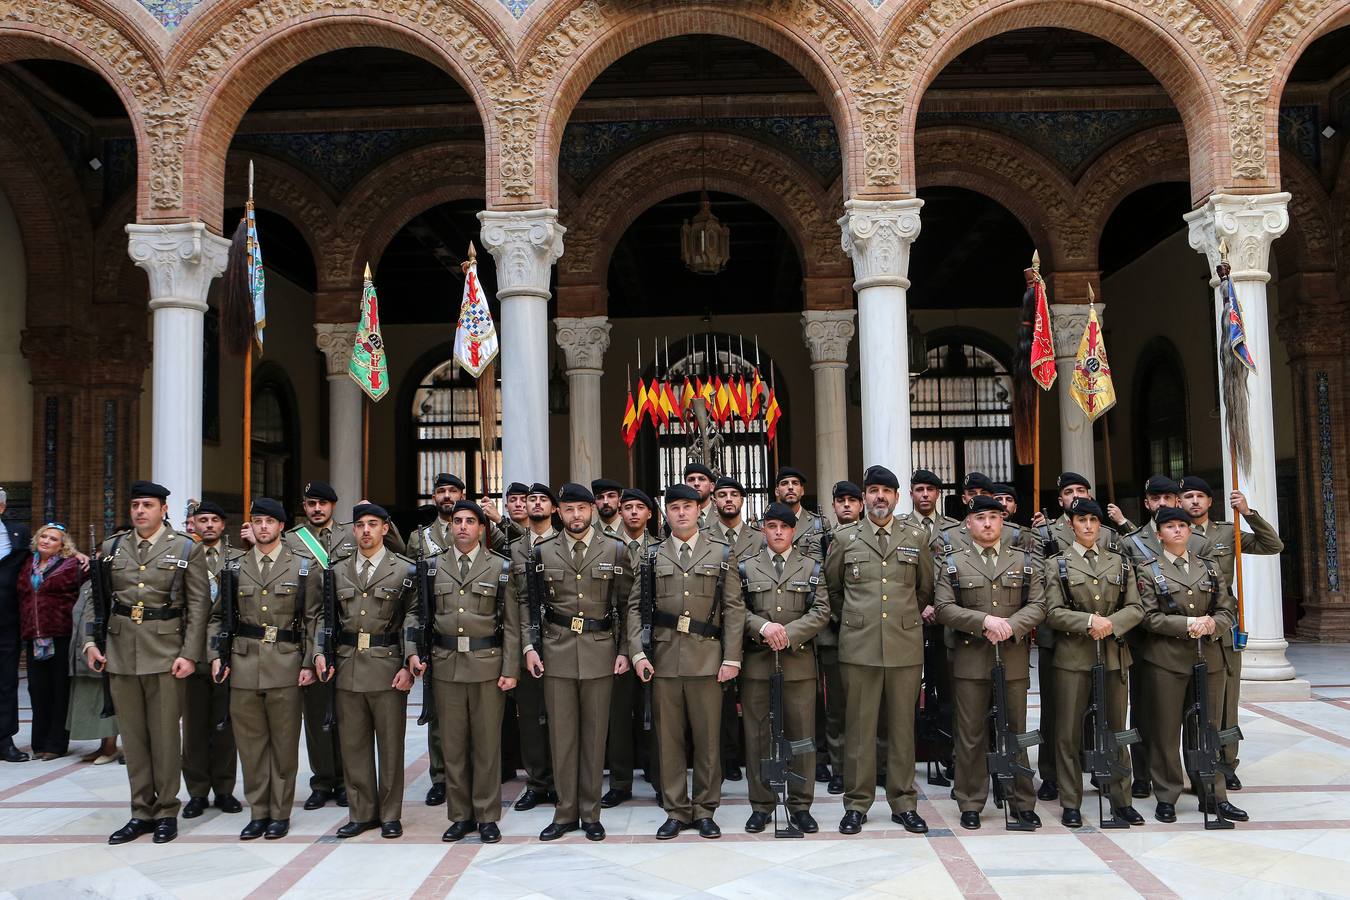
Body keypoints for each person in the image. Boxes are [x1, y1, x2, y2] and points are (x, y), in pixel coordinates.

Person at [82, 480, 209, 844]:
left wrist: (189, 653)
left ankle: (166, 810)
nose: (140, 511)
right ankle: (141, 811)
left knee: (166, 737)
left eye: (148, 505)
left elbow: (199, 605)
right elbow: (97, 598)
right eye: (136, 504)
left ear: (163, 510)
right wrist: (91, 641)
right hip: (121, 652)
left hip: (166, 653)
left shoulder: (186, 548)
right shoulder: (112, 547)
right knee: (134, 740)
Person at [629, 484, 745, 839]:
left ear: (700, 510)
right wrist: (637, 653)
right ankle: (676, 809)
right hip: (663, 659)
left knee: (708, 740)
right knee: (669, 740)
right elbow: (635, 607)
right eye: (675, 507)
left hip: (708, 659)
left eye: (688, 506)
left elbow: (734, 610)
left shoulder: (722, 553)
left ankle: (706, 809)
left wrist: (732, 658)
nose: (681, 512)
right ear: (666, 513)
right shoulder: (651, 555)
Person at [827, 465, 933, 836]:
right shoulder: (844, 539)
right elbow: (833, 590)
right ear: (864, 497)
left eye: (886, 491)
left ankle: (904, 802)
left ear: (896, 497)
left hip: (903, 646)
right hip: (859, 647)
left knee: (902, 728)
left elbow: (923, 590)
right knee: (859, 728)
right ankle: (856, 804)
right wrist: (858, 620)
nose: (879, 497)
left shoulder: (916, 537)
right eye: (872, 490)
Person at [522, 483, 631, 841]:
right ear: (558, 512)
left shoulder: (615, 549)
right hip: (556, 650)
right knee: (562, 737)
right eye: (568, 509)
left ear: (592, 510)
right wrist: (530, 647)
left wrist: (626, 651)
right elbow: (527, 604)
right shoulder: (542, 552)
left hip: (601, 650)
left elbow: (629, 604)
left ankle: (591, 812)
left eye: (582, 509)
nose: (576, 516)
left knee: (595, 736)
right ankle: (565, 812)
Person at [406, 500, 518, 845]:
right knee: (453, 746)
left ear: (482, 528)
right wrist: (412, 652)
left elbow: (513, 624)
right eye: (458, 521)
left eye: (471, 521)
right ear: (450, 526)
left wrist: (510, 668)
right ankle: (459, 815)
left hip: (487, 665)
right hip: (446, 665)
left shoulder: (500, 567)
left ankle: (486, 816)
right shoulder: (431, 566)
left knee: (486, 746)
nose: (464, 527)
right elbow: (415, 615)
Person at [211, 498, 321, 840]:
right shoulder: (233, 567)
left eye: (269, 522)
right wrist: (216, 653)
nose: (262, 527)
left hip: (286, 663)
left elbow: (314, 619)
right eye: (257, 521)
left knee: (284, 745)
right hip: (244, 663)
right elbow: (217, 617)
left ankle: (280, 812)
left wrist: (309, 662)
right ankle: (258, 811)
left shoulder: (303, 567)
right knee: (251, 744)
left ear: (281, 527)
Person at [934, 495, 1046, 831]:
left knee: (1015, 732)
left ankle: (1022, 801)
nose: (987, 523)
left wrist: (1012, 625)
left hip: (1011, 658)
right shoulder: (954, 562)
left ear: (1003, 522)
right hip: (970, 660)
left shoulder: (1024, 561)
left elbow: (1039, 604)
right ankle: (970, 800)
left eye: (994, 517)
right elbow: (943, 608)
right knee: (970, 735)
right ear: (968, 524)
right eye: (980, 517)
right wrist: (984, 621)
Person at [1134, 505, 1247, 825]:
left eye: (1182, 526)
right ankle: (1167, 795)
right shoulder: (1147, 570)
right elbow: (1148, 616)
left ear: (1191, 531)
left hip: (1207, 660)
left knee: (1207, 730)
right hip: (1166, 661)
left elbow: (1228, 609)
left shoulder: (1209, 568)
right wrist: (1187, 624)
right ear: (1159, 535)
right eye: (1169, 527)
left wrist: (1213, 624)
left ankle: (1213, 792)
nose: (1178, 531)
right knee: (1166, 730)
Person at [314, 503, 416, 839]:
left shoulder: (404, 569)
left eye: (373, 524)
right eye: (360, 525)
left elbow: (412, 620)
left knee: (389, 746)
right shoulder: (337, 570)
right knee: (353, 746)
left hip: (387, 666)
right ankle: (361, 812)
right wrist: (319, 654)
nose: (366, 531)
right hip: (347, 665)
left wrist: (408, 665)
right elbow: (323, 617)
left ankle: (389, 814)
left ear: (386, 529)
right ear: (353, 531)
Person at [1044, 498, 1145, 827]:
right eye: (1081, 520)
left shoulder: (1119, 562)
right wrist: (1089, 620)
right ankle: (1070, 801)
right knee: (1068, 734)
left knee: (1116, 730)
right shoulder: (1056, 564)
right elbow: (1053, 612)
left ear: (1100, 525)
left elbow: (1136, 607)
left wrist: (1110, 624)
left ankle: (1122, 798)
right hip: (1073, 658)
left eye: (1093, 520)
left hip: (1113, 656)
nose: (1088, 525)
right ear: (1071, 524)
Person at [1179, 476, 1282, 791]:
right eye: (1188, 497)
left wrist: (1249, 513)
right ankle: (1197, 765)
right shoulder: (1173, 532)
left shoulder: (1228, 530)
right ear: (1178, 503)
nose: (1194, 502)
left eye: (1200, 496)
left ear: (1210, 501)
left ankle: (1226, 763)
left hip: (1222, 627)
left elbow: (1272, 545)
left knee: (1226, 704)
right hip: (1187, 627)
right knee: (1191, 704)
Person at [739, 502, 829, 833]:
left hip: (798, 665)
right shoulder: (746, 567)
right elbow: (736, 609)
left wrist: (788, 633)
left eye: (784, 527)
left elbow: (821, 611)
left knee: (801, 736)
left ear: (793, 531)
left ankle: (800, 804)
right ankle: (761, 805)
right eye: (772, 526)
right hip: (758, 665)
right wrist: (763, 628)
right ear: (764, 528)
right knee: (758, 735)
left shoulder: (811, 567)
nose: (778, 532)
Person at [282, 480, 350, 811]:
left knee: (348, 715)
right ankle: (323, 781)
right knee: (316, 715)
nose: (317, 509)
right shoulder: (292, 540)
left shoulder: (352, 534)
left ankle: (349, 780)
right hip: (310, 632)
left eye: (322, 503)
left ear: (333, 506)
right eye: (311, 504)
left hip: (350, 632)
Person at [1115, 474, 1184, 800]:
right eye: (1155, 499)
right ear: (1147, 503)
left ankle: (1187, 772)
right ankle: (1141, 774)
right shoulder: (1131, 541)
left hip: (1188, 640)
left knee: (1184, 712)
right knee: (1143, 710)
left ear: (1177, 501)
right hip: (1145, 638)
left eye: (1168, 499)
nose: (1162, 504)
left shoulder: (1193, 538)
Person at [407, 472, 466, 808]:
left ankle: (469, 775)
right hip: (436, 629)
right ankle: (441, 777)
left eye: (452, 491)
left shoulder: (479, 528)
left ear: (462, 493)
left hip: (471, 628)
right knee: (438, 713)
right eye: (440, 491)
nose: (446, 496)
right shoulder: (420, 537)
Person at [181, 501, 241, 818]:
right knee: (193, 728)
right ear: (193, 524)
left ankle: (224, 789)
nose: (208, 525)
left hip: (227, 653)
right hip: (193, 655)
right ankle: (196, 792)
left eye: (213, 520)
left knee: (225, 725)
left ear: (223, 525)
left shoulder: (238, 559)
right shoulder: (184, 558)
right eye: (202, 520)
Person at [705, 475, 764, 781]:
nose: (728, 499)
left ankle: (752, 756)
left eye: (734, 495)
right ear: (714, 500)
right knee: (722, 698)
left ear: (743, 501)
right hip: (717, 626)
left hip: (753, 625)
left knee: (753, 694)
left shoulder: (759, 537)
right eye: (722, 495)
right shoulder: (702, 536)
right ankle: (727, 757)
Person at [603, 487, 660, 809]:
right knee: (620, 716)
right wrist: (625, 648)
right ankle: (621, 781)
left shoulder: (661, 548)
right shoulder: (609, 549)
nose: (634, 512)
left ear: (650, 514)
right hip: (617, 644)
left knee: (657, 715)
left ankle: (658, 776)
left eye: (641, 507)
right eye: (628, 507)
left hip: (655, 642)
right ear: (620, 513)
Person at [508, 483, 559, 810]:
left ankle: (562, 781)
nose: (536, 503)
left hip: (561, 642)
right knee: (529, 717)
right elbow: (516, 602)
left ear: (554, 508)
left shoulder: (564, 543)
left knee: (560, 717)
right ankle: (537, 782)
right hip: (527, 643)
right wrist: (526, 645)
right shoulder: (514, 549)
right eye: (531, 500)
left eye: (542, 499)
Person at [18, 524, 85, 760]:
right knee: (37, 689)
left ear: (62, 545)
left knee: (60, 691)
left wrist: (79, 555)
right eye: (43, 536)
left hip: (61, 635)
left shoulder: (73, 565)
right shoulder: (27, 564)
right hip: (34, 636)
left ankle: (56, 745)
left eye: (53, 538)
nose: (46, 541)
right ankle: (39, 743)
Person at [815, 480, 864, 794]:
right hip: (836, 634)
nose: (846, 505)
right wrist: (842, 620)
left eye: (851, 500)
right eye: (840, 500)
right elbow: (826, 587)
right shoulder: (823, 539)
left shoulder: (872, 537)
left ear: (860, 505)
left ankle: (877, 765)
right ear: (833, 505)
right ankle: (840, 769)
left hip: (870, 637)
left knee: (872, 707)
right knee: (837, 708)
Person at [67, 581, 120, 764]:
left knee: (106, 698)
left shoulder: (111, 581)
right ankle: (103, 745)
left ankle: (111, 746)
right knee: (95, 700)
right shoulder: (88, 583)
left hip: (103, 649)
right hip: (85, 650)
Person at [0, 486, 31, 762]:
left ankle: (5, 739)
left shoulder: (18, 532)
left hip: (7, 621)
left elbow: (37, 560)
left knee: (7, 681)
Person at [773, 467, 825, 561]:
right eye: (784, 483)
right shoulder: (765, 526)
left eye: (795, 483)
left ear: (802, 491)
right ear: (777, 491)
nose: (790, 487)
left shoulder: (819, 523)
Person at [483, 482, 530, 550]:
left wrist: (499, 519)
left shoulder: (537, 533)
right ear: (506, 507)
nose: (518, 504)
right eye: (513, 500)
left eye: (523, 500)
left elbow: (522, 539)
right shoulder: (500, 536)